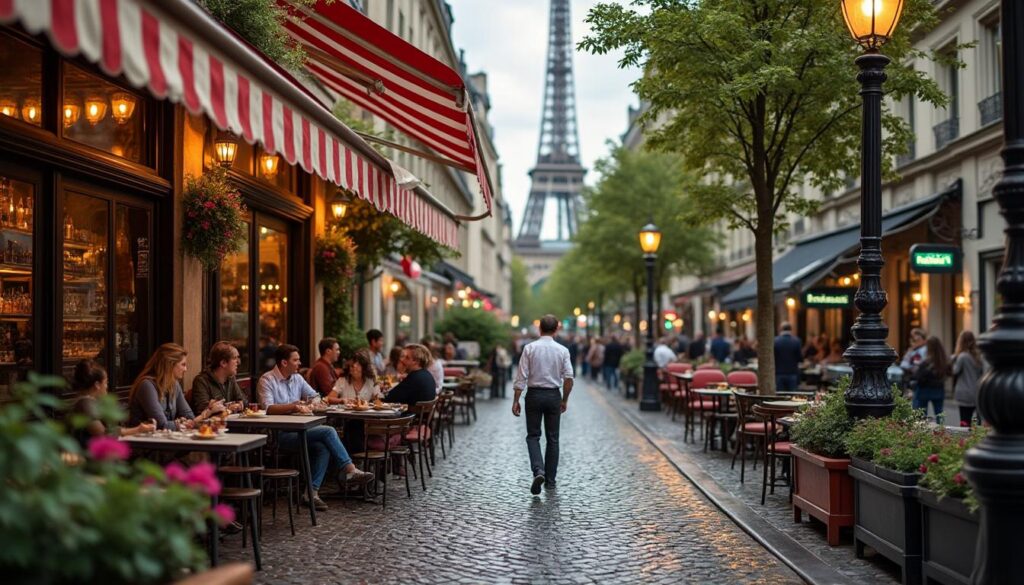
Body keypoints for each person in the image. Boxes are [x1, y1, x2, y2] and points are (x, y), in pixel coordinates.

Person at [258, 344, 373, 510]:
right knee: (328, 431)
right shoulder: (267, 380)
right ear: (284, 363)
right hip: (279, 436)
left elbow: (316, 397)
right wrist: (295, 406)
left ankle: (311, 493)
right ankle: (350, 469)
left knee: (322, 447)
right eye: (296, 360)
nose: (299, 363)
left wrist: (312, 403)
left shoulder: (297, 378)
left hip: (301, 431)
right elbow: (267, 408)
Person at [513, 315, 574, 495]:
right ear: (556, 330)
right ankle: (550, 481)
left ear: (539, 329)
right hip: (553, 395)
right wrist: (565, 399)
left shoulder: (529, 348)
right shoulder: (562, 350)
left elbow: (521, 376)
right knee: (553, 438)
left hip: (533, 395)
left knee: (533, 436)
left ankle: (538, 470)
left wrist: (516, 399)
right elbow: (569, 378)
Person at [128, 343, 225, 430]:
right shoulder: (147, 386)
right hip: (145, 444)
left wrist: (183, 422)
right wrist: (180, 423)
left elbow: (189, 416)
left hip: (167, 441)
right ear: (169, 365)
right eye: (183, 364)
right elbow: (162, 424)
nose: (186, 369)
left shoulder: (174, 384)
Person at [70, 359, 154, 448]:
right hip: (88, 458)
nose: (107, 387)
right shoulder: (85, 403)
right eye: (106, 382)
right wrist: (138, 429)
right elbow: (103, 434)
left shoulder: (93, 401)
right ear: (97, 385)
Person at [190, 341, 248, 413]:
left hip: (230, 422)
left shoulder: (230, 378)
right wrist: (228, 407)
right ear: (223, 363)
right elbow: (202, 409)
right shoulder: (201, 381)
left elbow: (244, 401)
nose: (238, 362)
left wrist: (240, 404)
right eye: (234, 358)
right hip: (211, 423)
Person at [911, 336, 950, 422]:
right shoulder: (943, 361)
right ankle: (941, 431)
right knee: (939, 413)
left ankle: (922, 431)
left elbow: (919, 377)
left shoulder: (926, 362)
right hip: (939, 389)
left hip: (924, 390)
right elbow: (949, 373)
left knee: (921, 414)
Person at [952, 330, 983, 426]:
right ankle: (977, 439)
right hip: (976, 391)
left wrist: (953, 360)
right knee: (978, 421)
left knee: (965, 421)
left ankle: (966, 440)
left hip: (964, 392)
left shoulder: (962, 356)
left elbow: (955, 371)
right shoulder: (978, 356)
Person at [774, 323, 803, 392]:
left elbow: (773, 357)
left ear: (781, 329)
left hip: (779, 373)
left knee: (780, 396)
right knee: (792, 396)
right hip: (792, 373)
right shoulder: (797, 341)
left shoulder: (775, 341)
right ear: (791, 329)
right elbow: (800, 358)